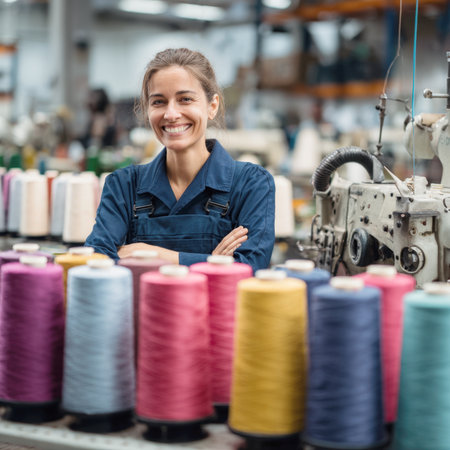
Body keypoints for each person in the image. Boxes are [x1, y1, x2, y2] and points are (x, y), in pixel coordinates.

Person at [85, 48, 275, 272]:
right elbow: (97, 262)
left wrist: (150, 254)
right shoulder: (123, 186)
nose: (171, 114)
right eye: (159, 102)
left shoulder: (251, 184)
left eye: (185, 99)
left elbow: (249, 269)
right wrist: (212, 262)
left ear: (212, 106)